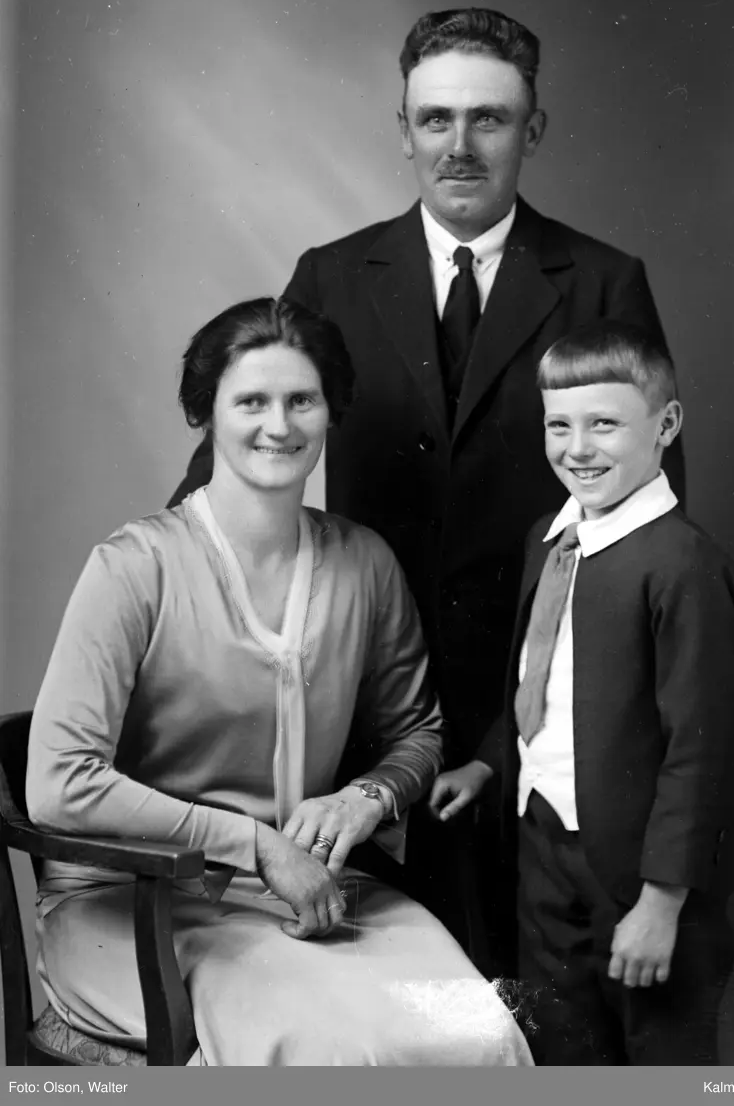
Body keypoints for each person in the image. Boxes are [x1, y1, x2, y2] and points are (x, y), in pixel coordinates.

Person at [168, 8, 684, 970]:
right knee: (370, 965)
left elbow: (649, 524)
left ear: (532, 130)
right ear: (402, 129)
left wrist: (528, 723)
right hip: (358, 686)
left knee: (526, 979)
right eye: (435, 118)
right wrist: (165, 586)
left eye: (489, 118)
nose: (459, 145)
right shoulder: (332, 275)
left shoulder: (602, 283)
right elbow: (234, 456)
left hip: (535, 699)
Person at [25, 297, 533, 1067]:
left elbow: (418, 733)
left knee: (478, 1036)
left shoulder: (364, 563)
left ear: (331, 412)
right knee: (324, 1053)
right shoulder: (134, 568)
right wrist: (256, 845)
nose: (280, 425)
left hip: (306, 889)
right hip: (132, 902)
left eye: (302, 400)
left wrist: (365, 797)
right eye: (251, 402)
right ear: (206, 413)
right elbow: (58, 783)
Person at [454, 320, 734, 1064]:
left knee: (659, 1053)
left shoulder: (681, 567)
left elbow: (701, 750)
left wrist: (661, 901)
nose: (578, 447)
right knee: (560, 1044)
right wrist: (489, 761)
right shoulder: (550, 539)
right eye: (559, 425)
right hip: (543, 849)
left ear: (666, 425)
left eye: (605, 424)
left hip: (642, 872)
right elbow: (542, 679)